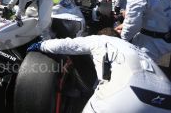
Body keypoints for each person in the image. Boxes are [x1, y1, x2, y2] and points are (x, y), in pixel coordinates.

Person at [27, 32, 171, 113]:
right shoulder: (138, 50)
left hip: (125, 96)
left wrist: (42, 45)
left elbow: (69, 44)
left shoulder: (102, 39)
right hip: (165, 99)